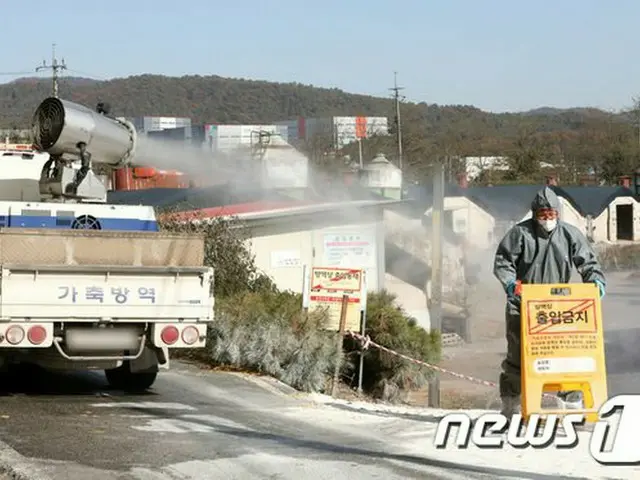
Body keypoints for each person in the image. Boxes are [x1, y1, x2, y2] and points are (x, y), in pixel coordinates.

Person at [493, 186, 606, 416]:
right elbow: (503, 261)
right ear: (535, 214)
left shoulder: (570, 234)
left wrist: (595, 281)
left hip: (559, 306)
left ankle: (572, 402)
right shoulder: (520, 234)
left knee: (566, 354)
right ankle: (512, 405)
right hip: (523, 304)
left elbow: (588, 262)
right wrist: (510, 284)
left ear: (558, 214)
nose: (547, 219)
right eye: (543, 214)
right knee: (518, 355)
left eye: (551, 214)